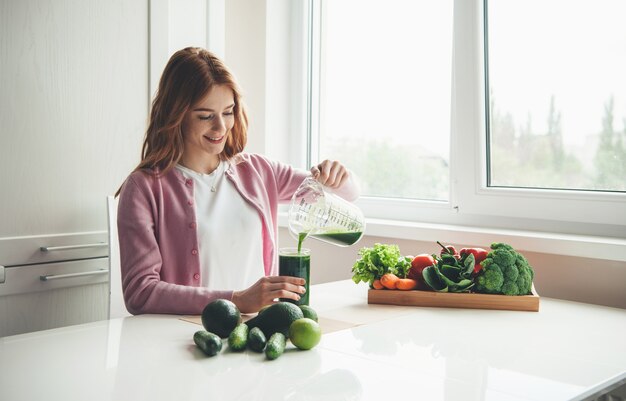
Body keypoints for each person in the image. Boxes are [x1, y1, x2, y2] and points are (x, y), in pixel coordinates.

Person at [116, 47, 359, 315]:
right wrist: (237, 299)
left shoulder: (258, 171)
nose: (221, 127)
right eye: (205, 116)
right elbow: (140, 292)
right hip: (190, 339)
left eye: (228, 112)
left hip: (258, 335)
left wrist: (339, 176)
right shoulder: (144, 189)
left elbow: (347, 195)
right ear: (176, 115)